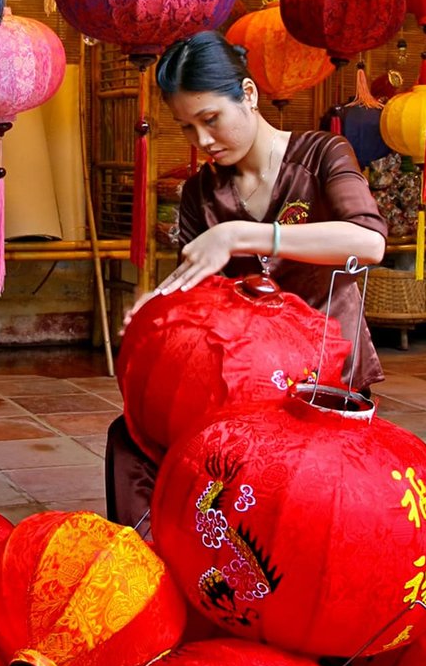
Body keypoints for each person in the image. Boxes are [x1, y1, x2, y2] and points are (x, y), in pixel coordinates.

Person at [107, 31, 388, 530]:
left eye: (211, 120)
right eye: (188, 128)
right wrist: (158, 306)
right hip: (243, 379)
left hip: (322, 381)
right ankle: (148, 565)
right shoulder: (201, 192)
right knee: (133, 439)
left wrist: (246, 235)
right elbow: (195, 284)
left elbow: (368, 242)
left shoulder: (322, 155)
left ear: (249, 94)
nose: (203, 142)